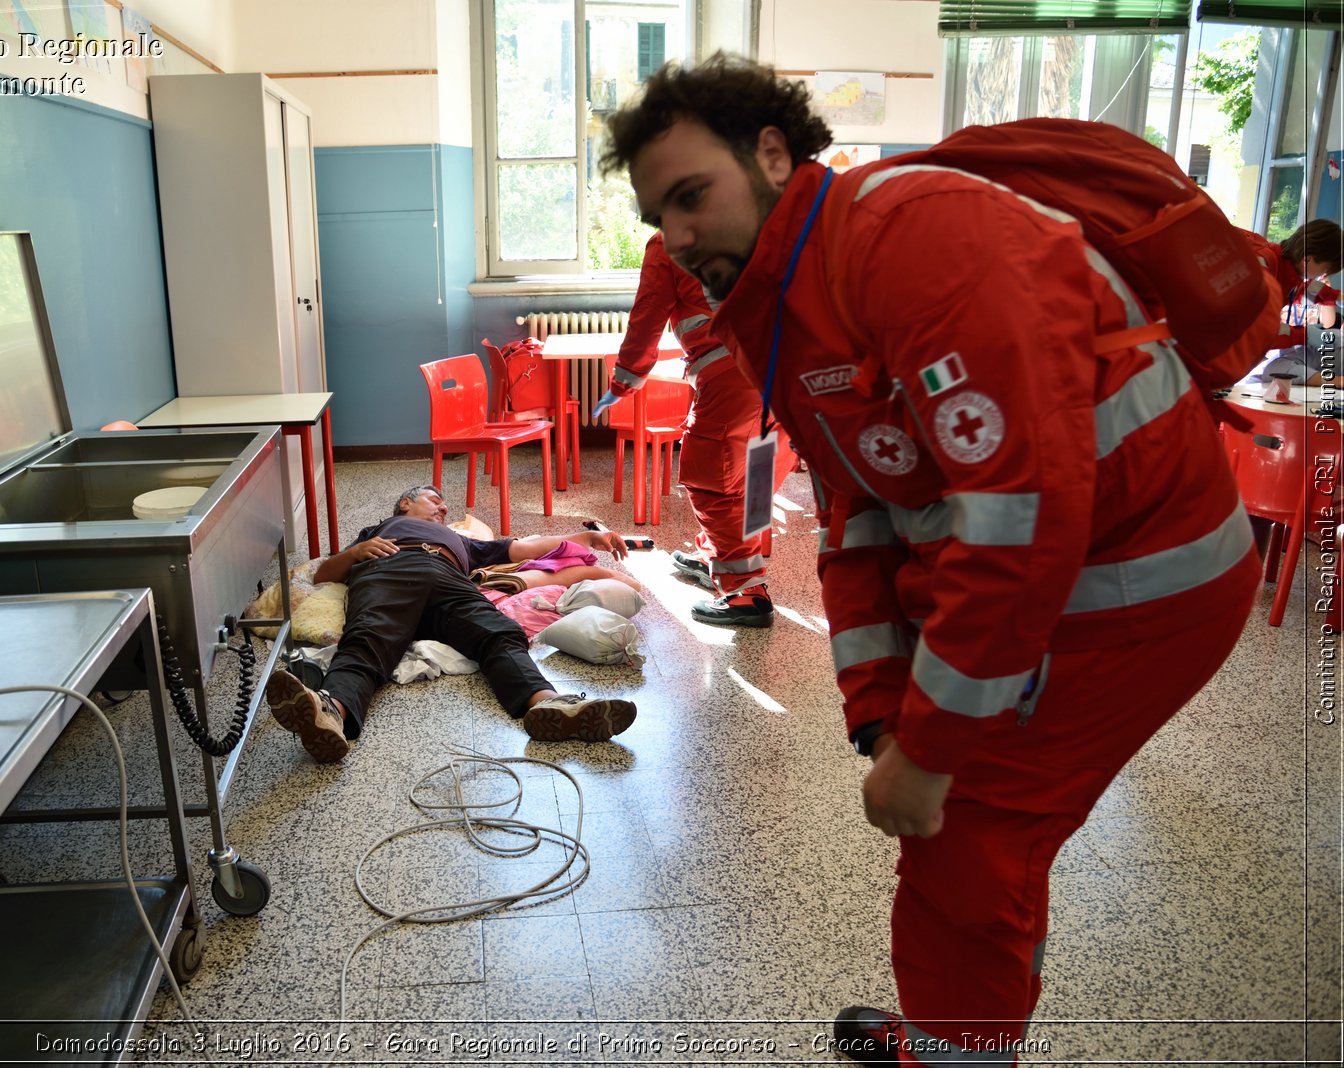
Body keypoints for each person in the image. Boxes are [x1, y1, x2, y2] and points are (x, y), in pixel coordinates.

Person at [601, 55, 1260, 1066]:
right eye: (661, 217)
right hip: (1066, 575)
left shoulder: (918, 241)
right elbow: (857, 506)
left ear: (772, 154)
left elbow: (1014, 520)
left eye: (693, 196)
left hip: (1139, 588)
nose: (677, 237)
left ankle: (956, 1052)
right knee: (958, 838)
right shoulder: (784, 295)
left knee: (967, 839)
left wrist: (936, 744)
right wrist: (878, 707)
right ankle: (957, 1033)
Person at [265, 485, 637, 762]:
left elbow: (527, 548)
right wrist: (356, 552)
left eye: (444, 504)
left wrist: (590, 537)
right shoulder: (380, 529)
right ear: (405, 504)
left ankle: (549, 705)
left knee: (500, 633)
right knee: (367, 640)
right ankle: (331, 713)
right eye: (433, 499)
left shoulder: (463, 542)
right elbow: (322, 575)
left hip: (449, 581)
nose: (443, 507)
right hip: (392, 570)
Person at [598, 232, 797, 626]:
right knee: (755, 473)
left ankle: (746, 594)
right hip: (792, 367)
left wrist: (624, 381)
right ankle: (716, 557)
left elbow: (648, 314)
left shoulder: (670, 241)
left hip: (735, 374)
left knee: (713, 479)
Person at [1242, 218, 1342, 344]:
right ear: (1307, 259)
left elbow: (1300, 289)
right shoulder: (1263, 268)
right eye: (1326, 268)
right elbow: (1260, 332)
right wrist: (1304, 336)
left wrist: (1336, 297)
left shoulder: (1280, 264)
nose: (1324, 274)